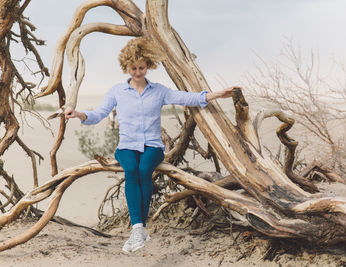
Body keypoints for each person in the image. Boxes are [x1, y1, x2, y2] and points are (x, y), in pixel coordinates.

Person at [64, 37, 238, 253]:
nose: (138, 72)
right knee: (131, 169)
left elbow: (187, 98)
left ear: (149, 66)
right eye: (134, 68)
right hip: (126, 146)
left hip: (153, 146)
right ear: (127, 67)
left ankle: (140, 229)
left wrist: (218, 94)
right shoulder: (117, 91)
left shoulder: (159, 91)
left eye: (142, 68)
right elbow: (98, 114)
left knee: (144, 169)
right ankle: (138, 230)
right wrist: (78, 113)